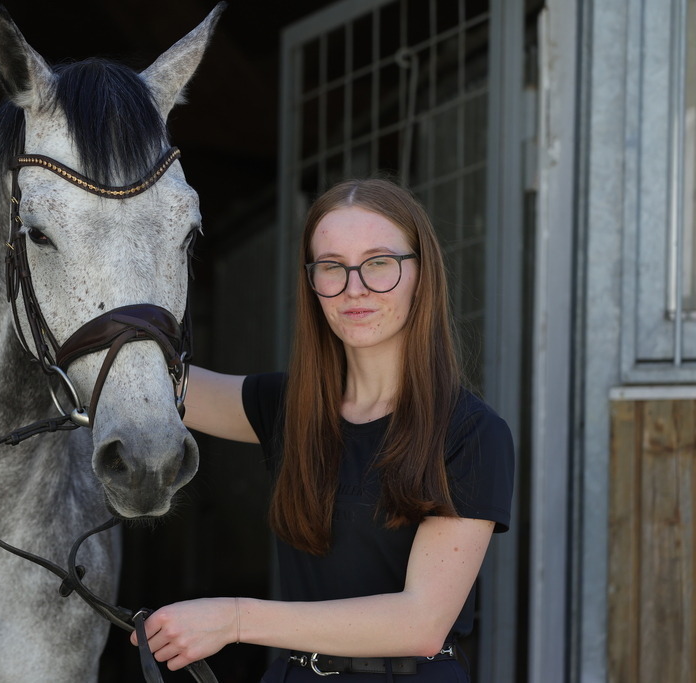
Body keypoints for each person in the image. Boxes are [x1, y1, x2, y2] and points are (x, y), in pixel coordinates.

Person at [130, 177, 515, 682]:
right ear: (312, 283)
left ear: (422, 273)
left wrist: (233, 619)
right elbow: (138, 379)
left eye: (379, 263)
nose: (354, 288)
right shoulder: (290, 408)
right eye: (332, 267)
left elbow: (419, 623)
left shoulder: (471, 433)